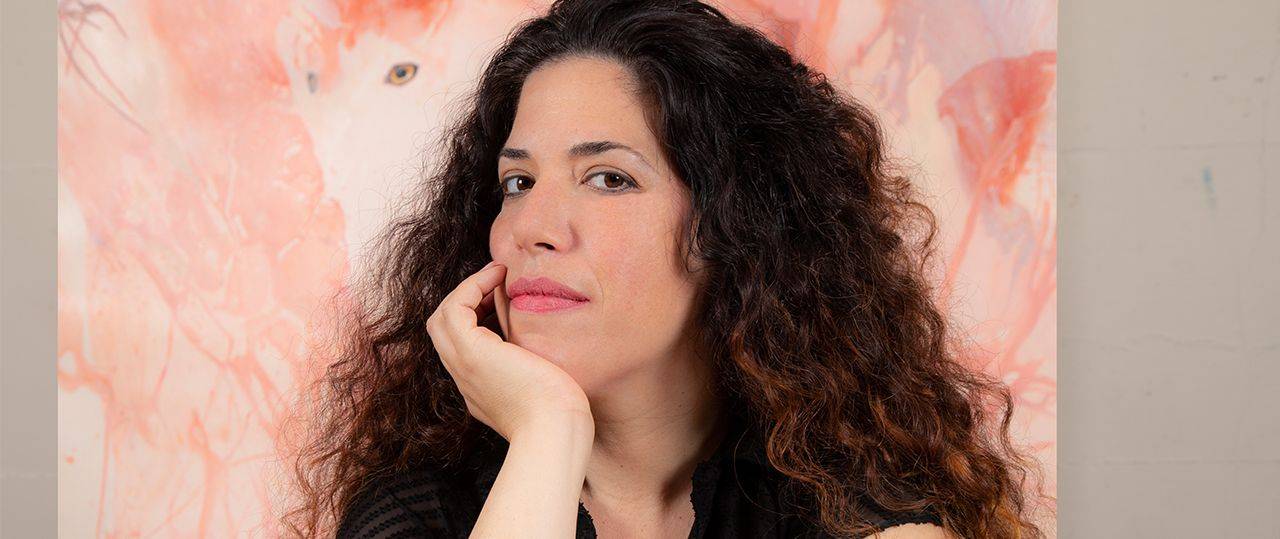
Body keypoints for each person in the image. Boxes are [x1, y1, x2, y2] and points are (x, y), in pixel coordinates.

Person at [282, 0, 1049, 537]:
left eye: (609, 178)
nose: (533, 229)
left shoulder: (858, 512)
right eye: (517, 182)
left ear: (733, 226)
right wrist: (548, 430)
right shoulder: (417, 512)